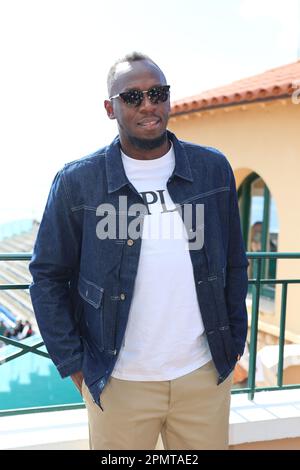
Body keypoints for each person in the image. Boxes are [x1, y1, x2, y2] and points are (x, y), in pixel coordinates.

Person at [29, 52, 248, 450]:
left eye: (157, 93)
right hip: (119, 382)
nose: (148, 105)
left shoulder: (212, 170)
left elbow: (235, 261)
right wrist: (76, 367)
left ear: (168, 99)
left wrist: (234, 344)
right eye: (132, 97)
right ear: (110, 108)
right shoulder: (79, 182)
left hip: (203, 375)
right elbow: (47, 277)